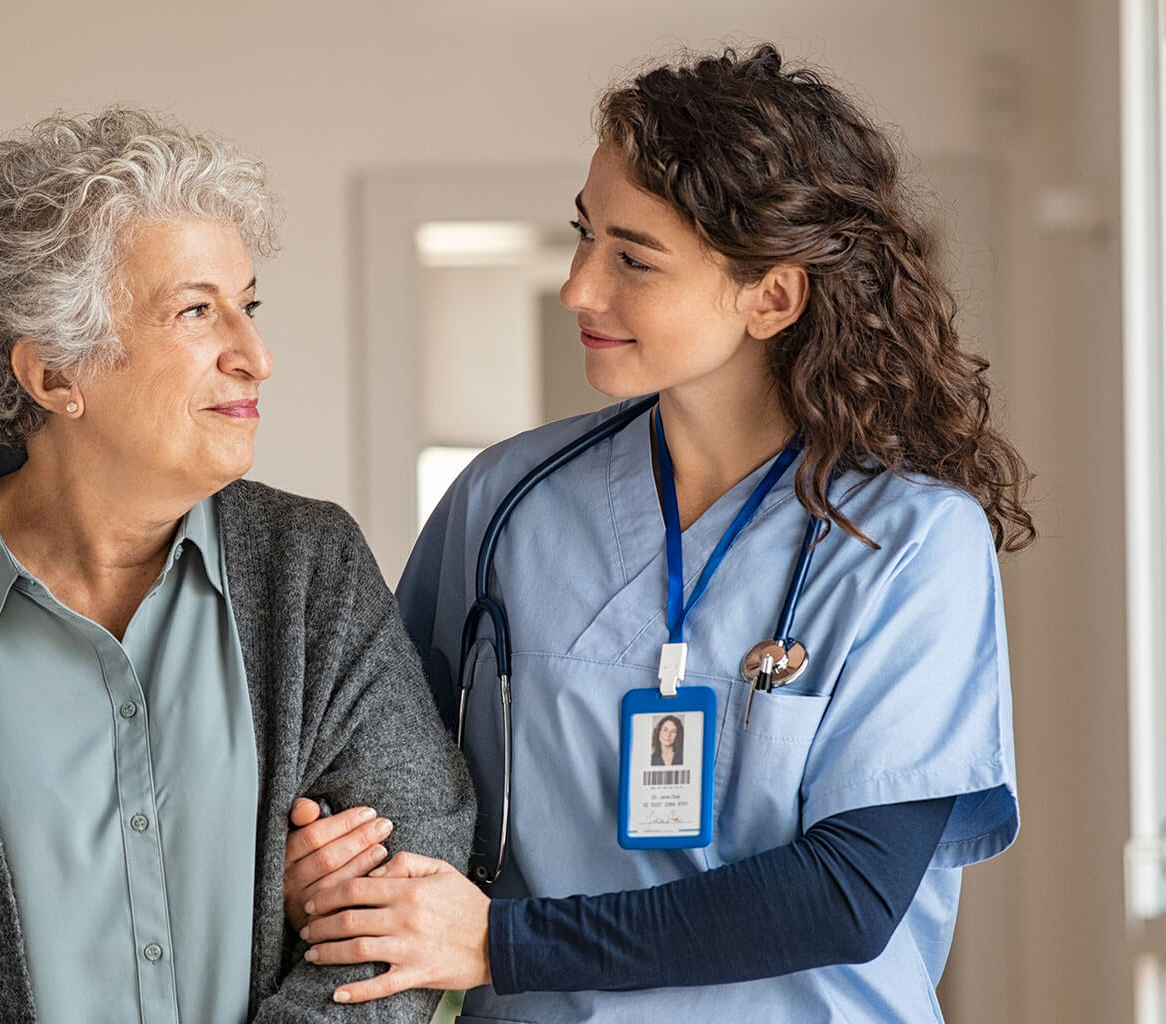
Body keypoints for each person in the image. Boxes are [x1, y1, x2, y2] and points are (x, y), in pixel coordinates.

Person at [283, 46, 1033, 1021]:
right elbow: (386, 777)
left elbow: (848, 893)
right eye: (583, 236)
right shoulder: (503, 501)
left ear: (770, 295)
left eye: (632, 258)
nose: (577, 289)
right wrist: (330, 861)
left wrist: (501, 943)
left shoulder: (907, 541)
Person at [0, 107, 473, 1024]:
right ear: (55, 375)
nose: (255, 355)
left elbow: (408, 885)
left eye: (246, 306)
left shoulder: (311, 570)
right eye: (195, 311)